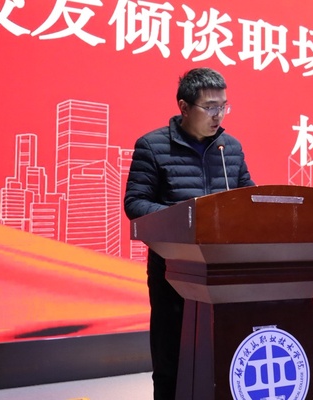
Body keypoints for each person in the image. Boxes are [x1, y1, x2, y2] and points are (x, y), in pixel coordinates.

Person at [124, 67, 254, 400]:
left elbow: (248, 198)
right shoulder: (153, 146)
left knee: (222, 356)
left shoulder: (230, 148)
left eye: (223, 106)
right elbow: (135, 203)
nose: (218, 115)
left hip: (223, 270)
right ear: (184, 107)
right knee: (172, 357)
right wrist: (186, 218)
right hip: (174, 269)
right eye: (210, 107)